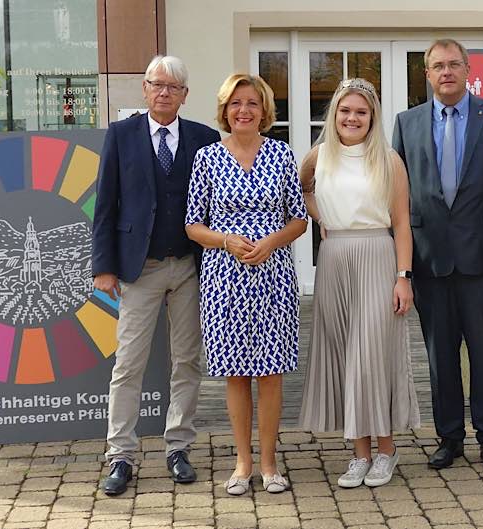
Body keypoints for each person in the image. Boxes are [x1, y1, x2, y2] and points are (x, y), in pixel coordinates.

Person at [392, 39, 483, 473]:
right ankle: (449, 438)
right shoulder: (406, 123)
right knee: (439, 355)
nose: (446, 72)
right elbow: (399, 199)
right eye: (437, 66)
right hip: (430, 261)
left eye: (453, 64)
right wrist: (403, 267)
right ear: (427, 74)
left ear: (467, 69)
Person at [91, 55, 220, 496]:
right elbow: (105, 203)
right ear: (144, 90)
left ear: (185, 95)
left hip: (189, 266)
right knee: (129, 364)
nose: (164, 92)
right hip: (138, 268)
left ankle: (178, 447)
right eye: (156, 84)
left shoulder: (205, 138)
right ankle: (121, 455)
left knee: (186, 360)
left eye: (173, 86)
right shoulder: (121, 135)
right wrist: (103, 267)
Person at [185, 74, 307, 496]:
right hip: (224, 278)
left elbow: (299, 218)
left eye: (252, 103)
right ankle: (242, 463)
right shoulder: (207, 159)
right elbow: (192, 225)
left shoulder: (281, 154)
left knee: (270, 374)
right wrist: (226, 240)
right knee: (235, 375)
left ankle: (271, 464)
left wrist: (271, 242)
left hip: (273, 276)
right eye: (236, 103)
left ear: (264, 110)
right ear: (225, 110)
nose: (244, 110)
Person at [297, 78, 420, 488]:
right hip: (333, 260)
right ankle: (360, 455)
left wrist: (403, 277)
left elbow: (402, 224)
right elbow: (303, 191)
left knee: (373, 355)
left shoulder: (388, 160)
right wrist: (324, 219)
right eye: (345, 111)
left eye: (361, 112)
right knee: (346, 355)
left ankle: (386, 451)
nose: (352, 118)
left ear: (372, 118)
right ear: (334, 114)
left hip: (377, 256)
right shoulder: (319, 156)